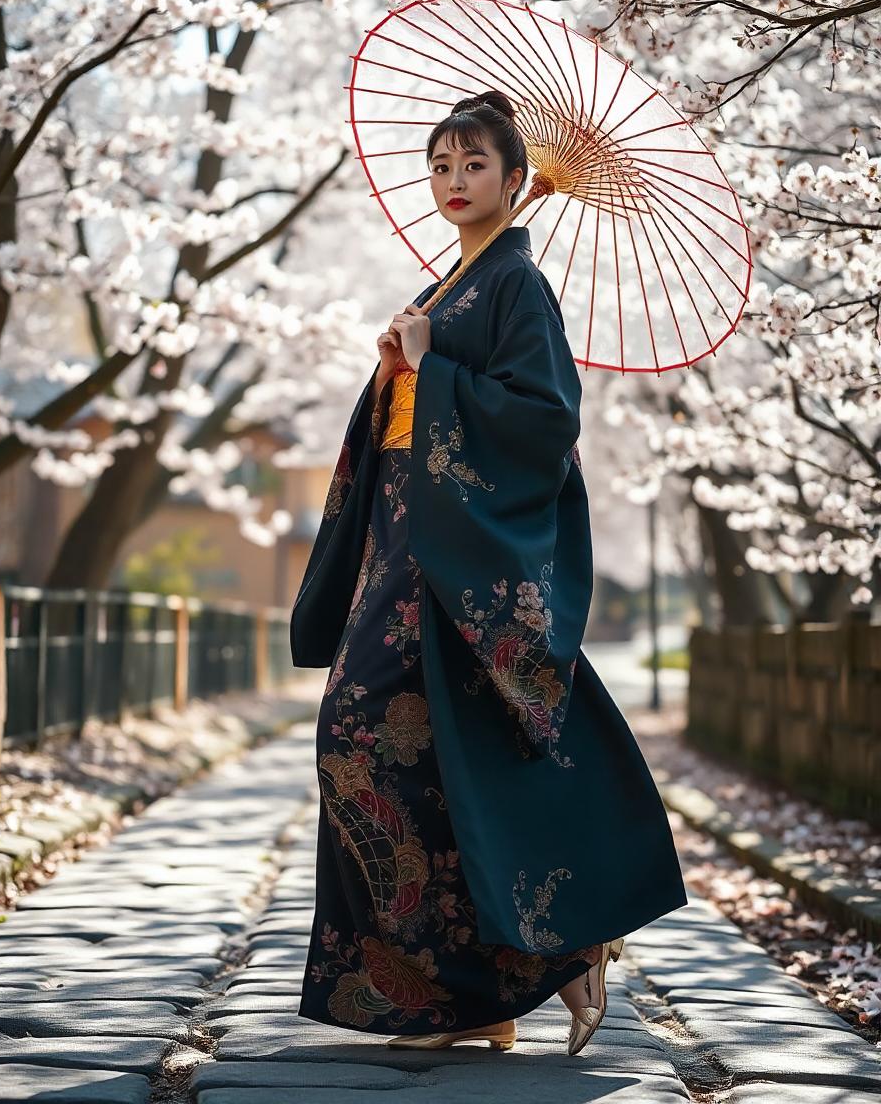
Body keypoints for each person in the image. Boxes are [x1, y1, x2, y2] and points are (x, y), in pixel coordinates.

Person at [290, 90, 687, 1056]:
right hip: (404, 543)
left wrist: (433, 374)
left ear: (517, 180)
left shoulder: (518, 286)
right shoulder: (446, 287)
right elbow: (412, 417)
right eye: (442, 165)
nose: (455, 182)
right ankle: (479, 994)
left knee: (366, 736)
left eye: (475, 166)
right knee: (406, 757)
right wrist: (396, 365)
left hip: (454, 559)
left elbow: (545, 418)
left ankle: (509, 971)